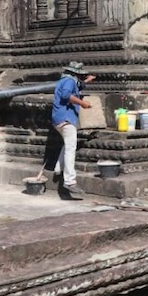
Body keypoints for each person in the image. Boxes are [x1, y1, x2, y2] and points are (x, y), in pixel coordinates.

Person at [51, 61, 96, 196]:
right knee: (71, 147)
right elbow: (66, 95)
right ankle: (70, 181)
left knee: (67, 144)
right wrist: (82, 103)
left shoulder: (65, 80)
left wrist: (87, 80)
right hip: (66, 119)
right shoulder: (70, 82)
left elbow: (77, 87)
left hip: (58, 118)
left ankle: (58, 169)